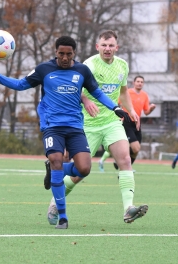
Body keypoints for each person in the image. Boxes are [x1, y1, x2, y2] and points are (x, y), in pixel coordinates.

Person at [0, 36, 130, 229]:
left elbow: (96, 93)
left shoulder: (82, 70)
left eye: (69, 54)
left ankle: (55, 170)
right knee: (57, 159)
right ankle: (63, 217)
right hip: (52, 126)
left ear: (74, 54)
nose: (65, 57)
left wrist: (114, 107)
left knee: (84, 169)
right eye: (61, 53)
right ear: (55, 52)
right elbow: (20, 85)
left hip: (75, 127)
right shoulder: (44, 69)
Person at [45, 30, 148, 226]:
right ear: (97, 46)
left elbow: (123, 92)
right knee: (79, 173)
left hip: (111, 122)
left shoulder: (122, 66)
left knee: (126, 159)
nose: (107, 49)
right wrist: (85, 101)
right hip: (88, 125)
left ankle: (128, 209)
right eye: (104, 45)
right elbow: (76, 91)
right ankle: (55, 203)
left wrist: (131, 110)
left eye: (111, 46)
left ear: (116, 47)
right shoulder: (89, 65)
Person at [99, 75, 156, 171]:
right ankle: (122, 164)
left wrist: (151, 109)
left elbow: (146, 112)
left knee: (136, 151)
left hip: (137, 124)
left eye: (142, 82)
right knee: (135, 147)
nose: (140, 83)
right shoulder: (127, 92)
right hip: (127, 122)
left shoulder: (144, 95)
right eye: (138, 81)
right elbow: (117, 104)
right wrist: (119, 115)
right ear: (134, 83)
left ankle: (123, 168)